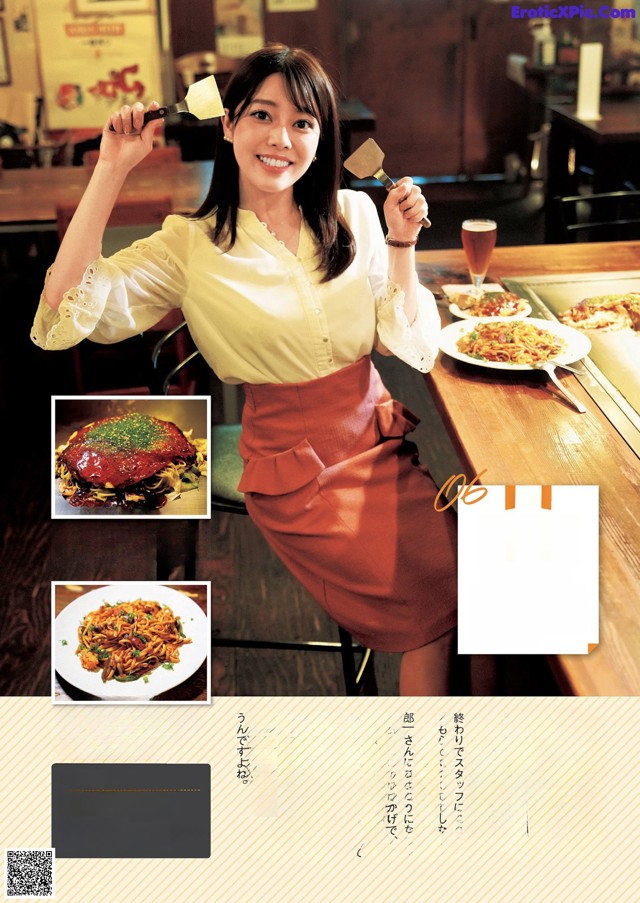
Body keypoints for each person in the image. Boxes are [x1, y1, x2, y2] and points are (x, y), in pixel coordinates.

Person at [31, 43, 457, 696]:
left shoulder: (358, 214)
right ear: (227, 124)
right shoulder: (191, 244)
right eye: (261, 114)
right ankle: (426, 777)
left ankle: (467, 741)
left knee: (493, 562)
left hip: (378, 441)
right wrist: (111, 170)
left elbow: (412, 346)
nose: (280, 137)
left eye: (302, 122)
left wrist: (403, 246)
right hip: (295, 467)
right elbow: (61, 319)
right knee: (438, 602)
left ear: (323, 136)